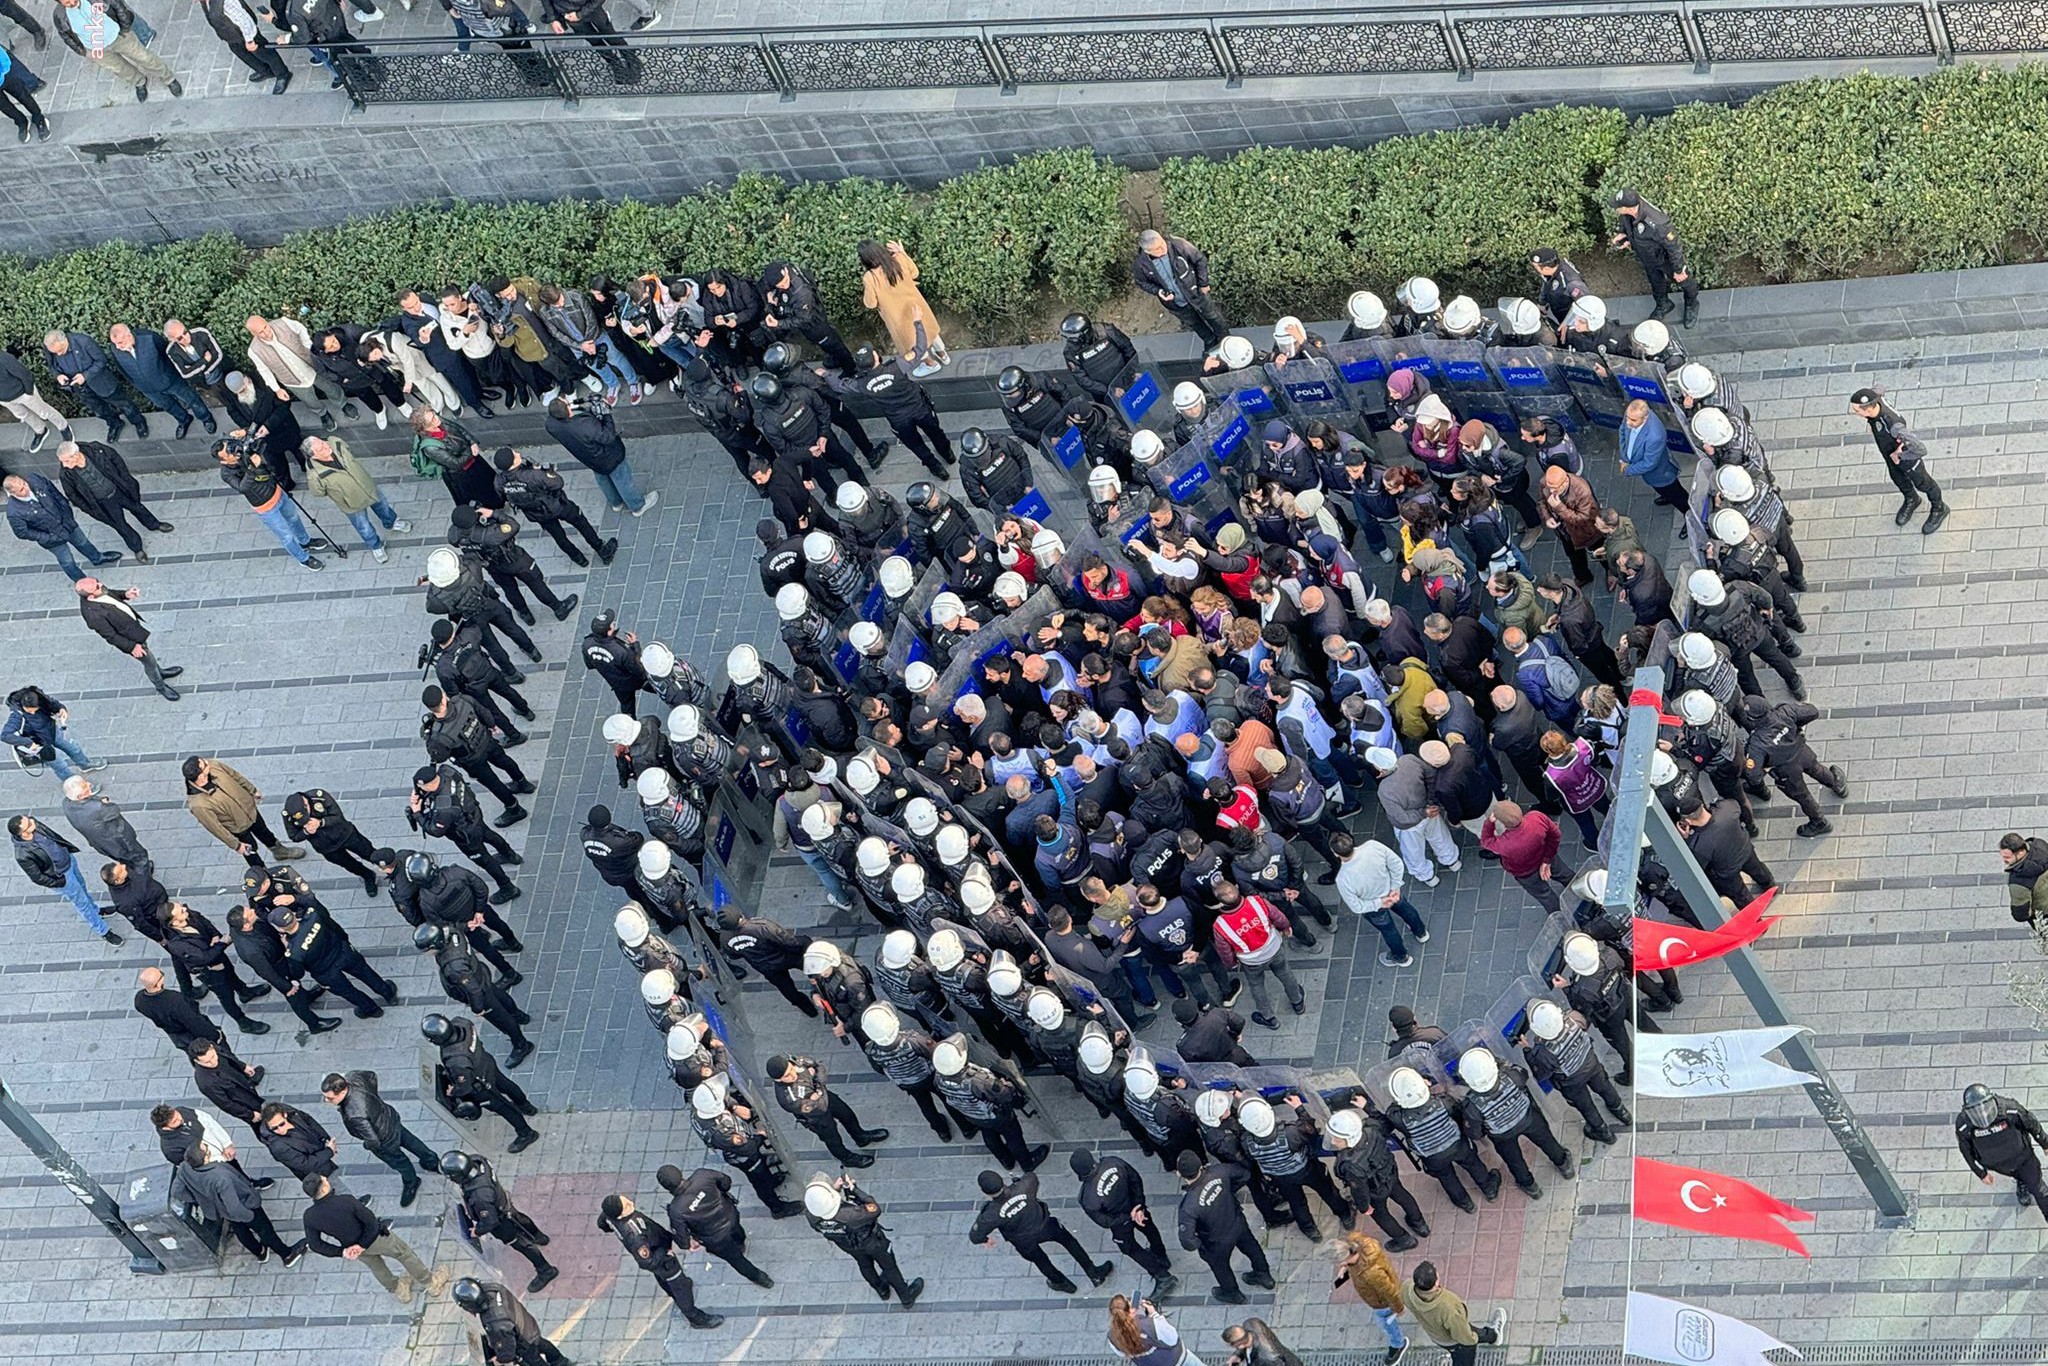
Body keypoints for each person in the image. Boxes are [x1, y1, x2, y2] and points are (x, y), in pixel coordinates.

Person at [971, 1167, 1115, 1294]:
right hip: (1044, 1224)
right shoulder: (1025, 1186)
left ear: (985, 1192)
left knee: (1040, 1260)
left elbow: (975, 1236)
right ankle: (1094, 1273)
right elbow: (1031, 1175)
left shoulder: (990, 1214)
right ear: (1002, 1182)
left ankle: (1061, 1282)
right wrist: (1016, 1183)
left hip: (1023, 1240)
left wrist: (986, 1239)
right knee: (1070, 1242)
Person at [302, 1173, 443, 1301]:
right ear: (324, 1186)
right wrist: (362, 1244)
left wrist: (342, 1252)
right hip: (375, 1239)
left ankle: (400, 1291)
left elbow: (315, 1244)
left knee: (377, 1267)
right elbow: (371, 1223)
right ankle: (431, 1283)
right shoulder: (346, 1201)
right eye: (324, 1178)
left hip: (352, 1248)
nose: (326, 1178)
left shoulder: (309, 1216)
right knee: (404, 1254)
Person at [597, 1192, 724, 1329]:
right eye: (626, 1205)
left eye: (625, 1200)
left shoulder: (609, 1215)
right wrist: (665, 1252)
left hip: (658, 1251)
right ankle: (695, 1318)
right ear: (620, 1215)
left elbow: (602, 1223)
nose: (630, 1202)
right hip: (662, 1260)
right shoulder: (634, 1235)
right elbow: (647, 1262)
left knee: (663, 1278)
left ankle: (672, 1291)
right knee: (680, 1286)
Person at [170, 1142, 303, 1265]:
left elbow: (177, 1191)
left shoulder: (184, 1167)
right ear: (206, 1158)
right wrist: (248, 1215)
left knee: (241, 1230)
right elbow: (234, 1206)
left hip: (221, 1209)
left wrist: (201, 1199)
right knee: (264, 1229)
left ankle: (260, 1252)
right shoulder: (220, 1177)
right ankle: (286, 1255)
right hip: (244, 1205)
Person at [444, 1151, 559, 1292]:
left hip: (501, 1221)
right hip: (503, 1202)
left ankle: (546, 1270)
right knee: (520, 1218)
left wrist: (477, 1231)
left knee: (521, 1244)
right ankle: (539, 1237)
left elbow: (490, 1221)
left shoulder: (480, 1197)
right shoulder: (478, 1160)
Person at [804, 1172, 925, 1306]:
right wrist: (854, 1190)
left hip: (848, 1245)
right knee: (889, 1267)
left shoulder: (811, 1215)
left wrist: (835, 1192)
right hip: (873, 1242)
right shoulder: (849, 1215)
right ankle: (906, 1297)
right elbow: (875, 1209)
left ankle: (882, 1290)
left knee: (865, 1265)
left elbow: (824, 1218)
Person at [424, 1013, 542, 1152]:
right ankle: (526, 1107)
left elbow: (465, 1085)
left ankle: (526, 1133)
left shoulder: (455, 1060)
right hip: (486, 1063)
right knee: (506, 1085)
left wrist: (453, 1091)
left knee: (503, 1107)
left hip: (482, 1084)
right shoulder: (462, 1023)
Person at [322, 1069, 441, 1206]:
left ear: (342, 1091)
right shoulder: (354, 1077)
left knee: (399, 1161)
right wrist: (375, 1098)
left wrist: (368, 1146)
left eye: (330, 1098)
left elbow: (372, 1140)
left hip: (384, 1139)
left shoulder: (353, 1114)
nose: (326, 1101)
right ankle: (432, 1162)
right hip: (390, 1118)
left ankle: (411, 1181)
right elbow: (372, 1076)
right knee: (411, 1141)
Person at [1072, 1148, 1178, 1300]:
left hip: (1120, 1222)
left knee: (1130, 1248)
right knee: (1149, 1228)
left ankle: (1162, 1277)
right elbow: (1135, 1178)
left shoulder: (1087, 1197)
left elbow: (1104, 1222)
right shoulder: (1113, 1162)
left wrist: (1128, 1216)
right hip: (1135, 1207)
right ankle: (1161, 1255)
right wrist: (1138, 1205)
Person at [1325, 1102, 1429, 1251]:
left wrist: (1364, 1207)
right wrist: (1366, 1106)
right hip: (1390, 1173)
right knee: (1403, 1195)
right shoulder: (1372, 1129)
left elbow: (1359, 1190)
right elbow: (1384, 1122)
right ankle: (1420, 1224)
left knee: (1380, 1214)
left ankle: (1404, 1240)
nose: (1333, 1142)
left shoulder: (1350, 1164)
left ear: (1351, 1138)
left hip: (1375, 1191)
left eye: (1338, 1139)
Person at [1176, 1152, 1275, 1305]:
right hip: (1237, 1223)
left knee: (1220, 1267)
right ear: (1201, 1166)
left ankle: (1232, 1293)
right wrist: (1229, 1190)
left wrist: (1201, 1244)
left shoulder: (1188, 1206)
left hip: (1215, 1240)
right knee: (1252, 1247)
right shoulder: (1219, 1171)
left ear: (1179, 1174)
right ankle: (1264, 1275)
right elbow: (1244, 1175)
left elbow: (1188, 1241)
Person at [656, 1163, 776, 1287]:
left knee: (737, 1261)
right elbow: (726, 1182)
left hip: (716, 1240)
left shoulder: (676, 1210)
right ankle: (740, 1244)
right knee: (738, 1233)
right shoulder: (702, 1175)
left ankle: (762, 1279)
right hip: (731, 1216)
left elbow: (683, 1241)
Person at [54, 440, 174, 563]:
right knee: (121, 526)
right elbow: (72, 495)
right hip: (103, 503)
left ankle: (154, 524)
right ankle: (137, 548)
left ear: (76, 455)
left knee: (138, 508)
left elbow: (116, 460)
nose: (64, 465)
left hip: (119, 490)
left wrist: (126, 481)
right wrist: (89, 509)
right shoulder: (66, 474)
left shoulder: (96, 450)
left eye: (66, 461)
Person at [229, 903, 341, 1034]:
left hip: (280, 952)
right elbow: (266, 972)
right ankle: (314, 1024)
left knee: (298, 987)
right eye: (250, 913)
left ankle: (307, 996)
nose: (253, 911)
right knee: (295, 997)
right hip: (278, 968)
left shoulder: (241, 926)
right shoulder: (250, 951)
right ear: (246, 925)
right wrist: (286, 987)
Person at [8, 813, 120, 944]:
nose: (33, 821)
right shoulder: (22, 854)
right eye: (29, 824)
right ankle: (103, 930)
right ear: (23, 833)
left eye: (29, 819)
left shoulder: (35, 826)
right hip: (62, 877)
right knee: (81, 903)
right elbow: (37, 877)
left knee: (82, 888)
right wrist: (59, 882)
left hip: (69, 862)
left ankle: (95, 910)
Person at [217, 436, 326, 570]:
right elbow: (242, 488)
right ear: (223, 461)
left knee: (294, 518)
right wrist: (251, 468)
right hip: (265, 506)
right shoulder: (226, 473)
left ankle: (305, 541)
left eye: (231, 447)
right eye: (229, 453)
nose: (234, 452)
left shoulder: (244, 453)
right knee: (286, 536)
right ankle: (303, 559)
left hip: (277, 491)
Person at [493, 447, 616, 566]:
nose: (518, 454)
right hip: (557, 505)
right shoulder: (533, 475)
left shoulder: (499, 481)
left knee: (558, 536)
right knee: (581, 522)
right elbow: (558, 483)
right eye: (515, 455)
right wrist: (546, 471)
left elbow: (503, 495)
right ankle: (601, 549)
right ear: (513, 463)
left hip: (536, 513)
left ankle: (578, 558)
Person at [1850, 386, 1947, 536]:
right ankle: (1912, 499)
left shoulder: (1894, 426)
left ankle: (1939, 508)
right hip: (1890, 456)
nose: (1854, 412)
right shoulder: (1876, 399)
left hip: (1908, 461)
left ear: (1868, 410)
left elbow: (1920, 449)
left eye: (1857, 410)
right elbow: (1880, 388)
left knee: (1924, 484)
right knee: (1898, 479)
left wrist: (1900, 456)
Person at [302, 435, 411, 563]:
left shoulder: (336, 442)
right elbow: (318, 492)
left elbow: (347, 449)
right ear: (313, 456)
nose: (326, 447)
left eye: (323, 442)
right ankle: (376, 546)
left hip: (367, 486)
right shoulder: (315, 475)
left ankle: (392, 523)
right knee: (363, 526)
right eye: (321, 449)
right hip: (350, 503)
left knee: (383, 506)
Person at [183, 756, 305, 869]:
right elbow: (216, 828)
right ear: (200, 775)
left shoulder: (214, 766)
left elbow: (235, 775)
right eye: (204, 764)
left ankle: (280, 852)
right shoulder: (198, 805)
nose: (207, 762)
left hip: (250, 810)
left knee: (265, 833)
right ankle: (262, 874)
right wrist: (236, 845)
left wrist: (252, 789)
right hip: (238, 828)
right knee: (250, 852)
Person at [768, 1053, 887, 1166]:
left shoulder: (797, 1062)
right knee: (832, 1138)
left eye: (791, 1069)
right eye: (787, 1076)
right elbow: (820, 1107)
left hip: (825, 1097)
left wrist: (817, 1088)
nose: (793, 1074)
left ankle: (860, 1136)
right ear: (778, 1080)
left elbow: (819, 1067)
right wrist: (817, 1083)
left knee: (847, 1114)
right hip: (815, 1116)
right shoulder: (788, 1098)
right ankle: (846, 1158)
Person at [544, 394, 655, 515]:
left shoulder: (551, 424)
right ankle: (637, 506)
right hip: (609, 456)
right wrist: (606, 415)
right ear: (568, 410)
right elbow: (608, 437)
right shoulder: (584, 426)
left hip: (589, 458)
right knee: (622, 479)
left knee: (603, 479)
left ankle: (616, 503)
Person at [1332, 832, 1430, 969]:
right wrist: (1395, 887)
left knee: (1389, 931)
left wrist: (1379, 903)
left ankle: (1401, 957)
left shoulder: (1343, 879)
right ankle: (1421, 932)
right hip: (1391, 891)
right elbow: (1397, 864)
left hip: (1374, 907)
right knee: (1407, 910)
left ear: (1336, 854)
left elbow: (1356, 907)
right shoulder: (1373, 846)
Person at [1955, 1084, 2048, 1219]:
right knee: (2018, 1175)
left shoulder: (2009, 1110)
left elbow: (2031, 1123)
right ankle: (2021, 1181)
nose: (1982, 1114)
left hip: (2023, 1159)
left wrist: (2044, 1143)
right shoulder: (1964, 1125)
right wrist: (1981, 1173)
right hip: (1996, 1164)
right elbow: (1966, 1151)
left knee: (2040, 1191)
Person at [6, 471, 120, 580]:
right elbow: (22, 532)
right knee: (67, 561)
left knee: (83, 542)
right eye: (21, 490)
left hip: (66, 523)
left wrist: (66, 510)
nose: (26, 488)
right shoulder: (14, 512)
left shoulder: (35, 479)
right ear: (12, 493)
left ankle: (97, 558)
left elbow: (54, 492)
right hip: (52, 538)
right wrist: (46, 537)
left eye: (24, 483)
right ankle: (81, 581)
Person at [107, 323, 213, 438]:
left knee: (191, 399)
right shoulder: (115, 350)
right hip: (149, 389)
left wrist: (169, 374)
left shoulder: (149, 338)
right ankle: (184, 420)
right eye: (115, 343)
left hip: (170, 380)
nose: (117, 347)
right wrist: (138, 385)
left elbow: (167, 353)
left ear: (128, 335)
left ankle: (205, 418)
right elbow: (122, 370)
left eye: (120, 343)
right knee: (168, 406)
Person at [1610, 189, 1699, 326]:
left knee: (1684, 281)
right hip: (1648, 257)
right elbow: (1629, 225)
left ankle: (1692, 304)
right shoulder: (1629, 213)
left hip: (1664, 259)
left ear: (1629, 208)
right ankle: (1663, 304)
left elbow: (1673, 247)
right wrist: (1625, 236)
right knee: (1656, 283)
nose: (1616, 209)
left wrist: (1679, 269)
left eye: (1618, 207)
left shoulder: (1658, 223)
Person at [860, 239, 947, 376]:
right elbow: (915, 273)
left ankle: (930, 364)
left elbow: (870, 303)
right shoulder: (898, 259)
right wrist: (903, 253)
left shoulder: (870, 277)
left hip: (898, 317)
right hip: (916, 306)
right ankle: (943, 355)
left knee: (914, 341)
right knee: (930, 332)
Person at [44, 328, 148, 435]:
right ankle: (115, 423)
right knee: (99, 409)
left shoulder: (84, 342)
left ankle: (138, 422)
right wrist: (58, 375)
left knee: (123, 404)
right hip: (79, 387)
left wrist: (85, 376)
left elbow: (101, 360)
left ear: (64, 340)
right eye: (56, 353)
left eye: (61, 350)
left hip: (101, 382)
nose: (59, 354)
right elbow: (52, 366)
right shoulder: (50, 347)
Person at [1132, 229, 1226, 346]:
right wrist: (1158, 291)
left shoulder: (1178, 245)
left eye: (1162, 243)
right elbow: (1141, 282)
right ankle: (1210, 342)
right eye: (1157, 249)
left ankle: (1225, 339)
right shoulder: (1141, 265)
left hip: (1195, 292)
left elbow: (1199, 260)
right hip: (1176, 303)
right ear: (1147, 251)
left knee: (1213, 316)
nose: (1163, 248)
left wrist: (1203, 283)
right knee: (1195, 324)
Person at [1478, 800, 1574, 915]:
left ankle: (1561, 917)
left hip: (1526, 874)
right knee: (1566, 875)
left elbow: (1486, 841)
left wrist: (1489, 822)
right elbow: (1555, 835)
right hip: (1546, 856)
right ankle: (1583, 892)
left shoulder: (1503, 844)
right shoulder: (1536, 817)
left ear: (1503, 823)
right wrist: (1547, 860)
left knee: (1545, 896)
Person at [1404, 1261, 1508, 1366]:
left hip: (1437, 1335)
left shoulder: (1406, 1288)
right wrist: (1472, 1339)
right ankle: (1493, 1336)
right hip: (1455, 1341)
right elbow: (1464, 1336)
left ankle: (1493, 1336)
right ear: (1436, 1282)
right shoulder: (1448, 1308)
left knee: (1471, 1330)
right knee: (1464, 1357)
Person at [450, 1277, 572, 1366]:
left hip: (524, 1342)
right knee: (541, 1343)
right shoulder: (493, 1287)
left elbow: (507, 1349)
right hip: (526, 1323)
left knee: (534, 1361)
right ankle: (560, 1361)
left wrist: (498, 1360)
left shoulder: (495, 1324)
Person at [1334, 1234, 1410, 1364]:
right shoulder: (1356, 1240)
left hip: (1381, 1303)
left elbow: (1389, 1291)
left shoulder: (1371, 1274)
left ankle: (1398, 1344)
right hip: (1379, 1291)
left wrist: (1399, 1308)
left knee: (1386, 1323)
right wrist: (1344, 1267)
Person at [195, 0, 291, 92]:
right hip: (233, 37)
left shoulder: (226, 2)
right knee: (245, 56)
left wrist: (249, 40)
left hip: (247, 34)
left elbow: (244, 19)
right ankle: (265, 71)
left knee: (265, 53)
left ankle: (282, 74)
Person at [1108, 1293, 1202, 1366]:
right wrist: (1154, 1314)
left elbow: (1121, 1353)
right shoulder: (1151, 1324)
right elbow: (1173, 1339)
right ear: (1130, 1309)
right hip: (1178, 1360)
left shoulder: (1112, 1337)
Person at [0, 346, 67, 446]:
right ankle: (40, 430)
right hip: (5, 400)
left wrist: (29, 391)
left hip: (23, 393)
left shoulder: (3, 358)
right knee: (23, 415)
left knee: (43, 412)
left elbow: (24, 373)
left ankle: (64, 427)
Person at [1219, 1319, 1303, 1366]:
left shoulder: (1265, 1359)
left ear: (1239, 1344)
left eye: (1231, 1344)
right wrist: (1238, 1355)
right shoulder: (1251, 1324)